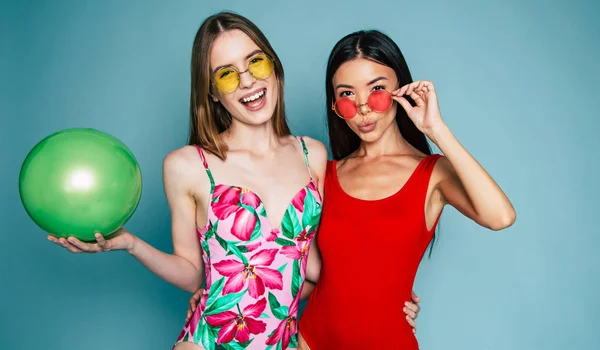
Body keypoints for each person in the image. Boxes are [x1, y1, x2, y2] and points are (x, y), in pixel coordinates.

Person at [46, 12, 420, 350]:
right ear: (212, 92)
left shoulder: (314, 156)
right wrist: (130, 243)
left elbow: (321, 270)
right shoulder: (187, 165)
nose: (247, 82)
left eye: (255, 63)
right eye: (227, 74)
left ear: (273, 68)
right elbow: (194, 274)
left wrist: (387, 294)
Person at [296, 30, 516, 349]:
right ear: (333, 105)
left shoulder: (432, 173)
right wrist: (217, 299)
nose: (363, 108)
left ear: (400, 90)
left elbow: (501, 216)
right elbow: (301, 269)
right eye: (347, 94)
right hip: (311, 341)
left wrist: (436, 130)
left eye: (377, 90)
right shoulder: (323, 174)